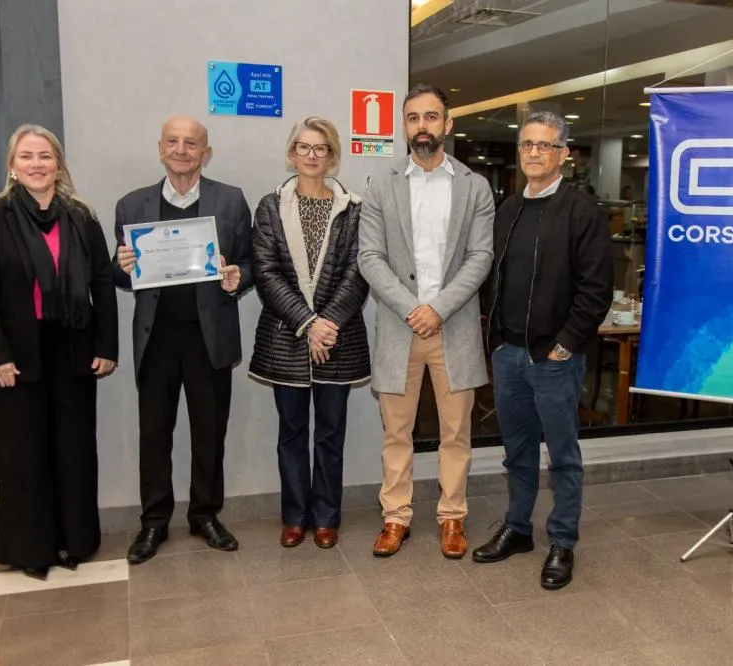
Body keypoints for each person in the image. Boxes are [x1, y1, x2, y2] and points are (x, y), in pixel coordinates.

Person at [0, 125, 118, 580]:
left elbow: (103, 283)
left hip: (73, 346)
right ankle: (31, 547)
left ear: (58, 164)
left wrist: (106, 345)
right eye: (27, 156)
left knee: (73, 448)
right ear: (13, 165)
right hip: (16, 351)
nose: (37, 164)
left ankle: (76, 540)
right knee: (22, 452)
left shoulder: (82, 215)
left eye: (45, 156)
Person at [473, 111, 613, 590]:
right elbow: (494, 280)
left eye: (545, 145)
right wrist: (494, 341)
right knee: (516, 453)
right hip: (509, 354)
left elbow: (596, 291)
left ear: (564, 154)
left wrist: (565, 346)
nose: (534, 152)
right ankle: (517, 528)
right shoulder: (508, 209)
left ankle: (562, 542)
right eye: (527, 144)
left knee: (563, 456)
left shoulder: (583, 212)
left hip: (554, 358)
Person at [358, 84, 494, 559]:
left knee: (456, 433)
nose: (422, 127)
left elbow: (480, 258)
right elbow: (370, 258)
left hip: (453, 328)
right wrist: (412, 308)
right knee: (397, 432)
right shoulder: (382, 186)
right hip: (399, 330)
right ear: (404, 126)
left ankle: (452, 517)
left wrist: (438, 308)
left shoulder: (474, 186)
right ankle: (395, 517)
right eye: (413, 118)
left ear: (447, 125)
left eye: (431, 118)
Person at [113, 116, 252, 564]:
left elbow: (251, 262)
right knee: (154, 434)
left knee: (210, 433)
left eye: (191, 143)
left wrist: (237, 276)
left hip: (208, 338)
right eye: (172, 141)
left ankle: (205, 514)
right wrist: (122, 264)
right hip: (156, 340)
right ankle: (153, 522)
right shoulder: (131, 206)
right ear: (160, 149)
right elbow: (117, 273)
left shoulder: (230, 201)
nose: (181, 150)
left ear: (205, 153)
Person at [249, 117, 370, 549]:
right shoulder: (269, 206)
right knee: (292, 434)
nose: (312, 156)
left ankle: (326, 518)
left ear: (332, 155)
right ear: (292, 153)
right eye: (304, 147)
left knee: (330, 434)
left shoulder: (356, 208)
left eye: (320, 148)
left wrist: (327, 325)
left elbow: (359, 273)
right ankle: (294, 516)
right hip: (287, 337)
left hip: (340, 338)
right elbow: (265, 273)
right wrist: (307, 323)